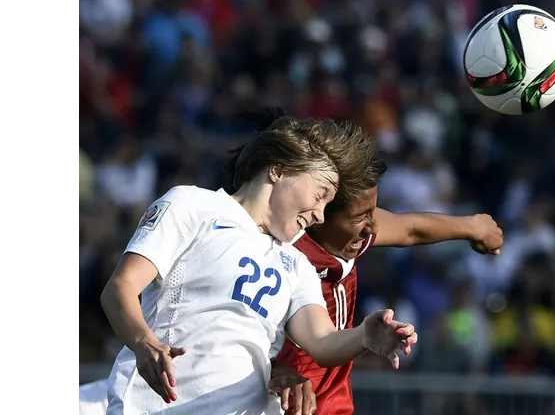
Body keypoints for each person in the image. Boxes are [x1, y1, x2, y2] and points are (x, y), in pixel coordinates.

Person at [100, 116, 419, 415]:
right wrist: (143, 341)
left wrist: (363, 336)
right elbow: (120, 288)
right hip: (158, 406)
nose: (320, 216)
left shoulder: (297, 264)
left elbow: (322, 341)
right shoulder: (193, 205)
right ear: (278, 170)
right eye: (319, 195)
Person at [235, 108, 504, 415]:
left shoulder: (350, 237)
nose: (373, 226)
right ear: (319, 213)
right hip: (276, 406)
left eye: (373, 212)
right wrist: (275, 368)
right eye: (361, 216)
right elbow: (231, 330)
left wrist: (473, 226)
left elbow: (411, 229)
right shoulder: (277, 255)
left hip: (334, 405)